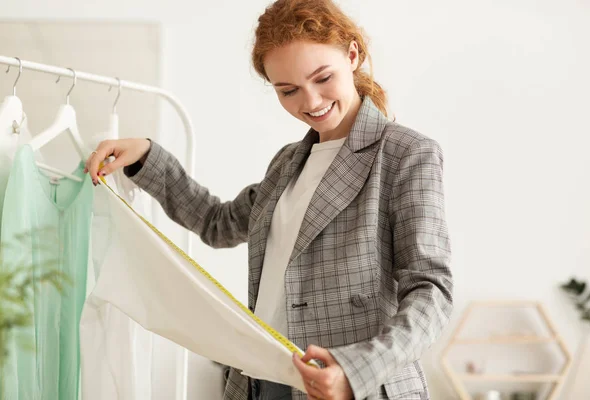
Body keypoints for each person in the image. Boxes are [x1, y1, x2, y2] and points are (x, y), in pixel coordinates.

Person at [85, 0, 453, 399]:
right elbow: (217, 222)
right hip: (261, 380)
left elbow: (431, 290)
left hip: (349, 385)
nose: (310, 102)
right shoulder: (287, 163)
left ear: (352, 54)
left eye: (322, 78)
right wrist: (147, 158)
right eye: (288, 90)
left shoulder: (405, 154)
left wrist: (355, 369)